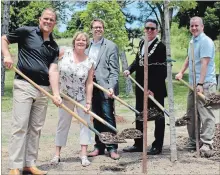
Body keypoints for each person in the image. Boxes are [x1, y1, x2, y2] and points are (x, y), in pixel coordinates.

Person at [1, 8, 61, 175]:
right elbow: (3, 39)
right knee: (20, 126)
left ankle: (29, 164)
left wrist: (56, 94)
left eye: (51, 20)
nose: (48, 22)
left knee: (35, 128)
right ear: (39, 19)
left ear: (54, 23)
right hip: (24, 85)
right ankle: (15, 166)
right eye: (46, 19)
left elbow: (54, 71)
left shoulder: (54, 46)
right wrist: (7, 55)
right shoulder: (27, 32)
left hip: (43, 90)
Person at [123, 19, 167, 155]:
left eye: (152, 29)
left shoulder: (161, 47)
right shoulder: (142, 43)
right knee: (139, 115)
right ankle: (138, 143)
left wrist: (152, 89)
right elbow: (138, 61)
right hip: (141, 86)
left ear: (157, 31)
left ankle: (157, 145)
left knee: (158, 116)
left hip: (155, 89)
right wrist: (129, 69)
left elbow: (163, 71)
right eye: (147, 28)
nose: (149, 31)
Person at [50, 31, 94, 167]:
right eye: (78, 40)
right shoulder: (64, 52)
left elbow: (89, 83)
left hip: (80, 97)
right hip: (64, 96)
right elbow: (54, 69)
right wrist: (55, 93)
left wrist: (88, 102)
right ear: (74, 41)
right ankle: (57, 154)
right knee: (62, 124)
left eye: (83, 40)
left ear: (87, 44)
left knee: (84, 124)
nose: (81, 42)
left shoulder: (90, 61)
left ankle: (84, 155)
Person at [175, 16, 216, 154]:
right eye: (192, 26)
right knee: (191, 114)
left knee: (206, 113)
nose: (194, 28)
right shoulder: (192, 41)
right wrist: (181, 72)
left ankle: (207, 143)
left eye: (196, 25)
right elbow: (189, 57)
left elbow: (205, 63)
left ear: (202, 27)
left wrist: (200, 83)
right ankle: (194, 141)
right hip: (192, 84)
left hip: (205, 84)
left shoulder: (206, 42)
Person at [86, 19, 120, 160]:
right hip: (91, 87)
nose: (98, 29)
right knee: (96, 118)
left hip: (105, 87)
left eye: (100, 27)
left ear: (103, 29)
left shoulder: (111, 46)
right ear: (91, 29)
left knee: (108, 117)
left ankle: (112, 148)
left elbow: (114, 70)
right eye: (95, 27)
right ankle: (99, 146)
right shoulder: (87, 46)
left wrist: (111, 87)